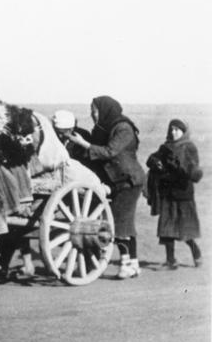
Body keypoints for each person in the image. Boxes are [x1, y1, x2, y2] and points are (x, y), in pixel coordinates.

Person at [67, 96, 146, 279]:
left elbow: (110, 151)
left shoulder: (123, 128)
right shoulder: (104, 128)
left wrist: (83, 143)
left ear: (104, 111)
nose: (92, 115)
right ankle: (133, 264)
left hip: (129, 180)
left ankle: (126, 264)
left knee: (119, 221)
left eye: (94, 111)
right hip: (117, 180)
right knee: (125, 221)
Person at [146, 119, 203, 268]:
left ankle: (196, 252)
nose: (173, 132)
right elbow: (151, 159)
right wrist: (155, 162)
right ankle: (170, 260)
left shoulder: (189, 147)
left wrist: (178, 165)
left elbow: (193, 170)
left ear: (183, 132)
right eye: (171, 129)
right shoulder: (165, 147)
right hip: (167, 192)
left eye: (177, 129)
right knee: (166, 228)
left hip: (183, 193)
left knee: (184, 229)